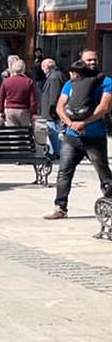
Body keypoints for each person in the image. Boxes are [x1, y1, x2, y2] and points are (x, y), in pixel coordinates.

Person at [43, 53, 112, 220]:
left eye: (95, 59)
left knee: (104, 173)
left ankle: (109, 205)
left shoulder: (106, 82)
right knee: (64, 171)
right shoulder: (70, 83)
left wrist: (84, 123)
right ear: (82, 61)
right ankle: (60, 207)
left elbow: (104, 107)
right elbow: (60, 106)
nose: (92, 62)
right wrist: (70, 123)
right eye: (89, 60)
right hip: (72, 137)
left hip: (95, 136)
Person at [0, 59, 38, 126]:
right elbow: (33, 99)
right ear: (23, 69)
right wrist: (34, 113)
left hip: (10, 110)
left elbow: (1, 98)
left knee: (13, 133)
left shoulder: (6, 81)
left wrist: (1, 112)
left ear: (12, 69)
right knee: (24, 132)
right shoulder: (29, 82)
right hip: (24, 110)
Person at [40, 57, 66, 160]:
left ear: (46, 67)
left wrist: (53, 110)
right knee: (53, 131)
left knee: (54, 132)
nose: (42, 70)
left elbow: (54, 95)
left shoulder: (54, 77)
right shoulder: (56, 75)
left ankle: (57, 152)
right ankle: (54, 151)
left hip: (52, 111)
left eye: (43, 67)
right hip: (52, 111)